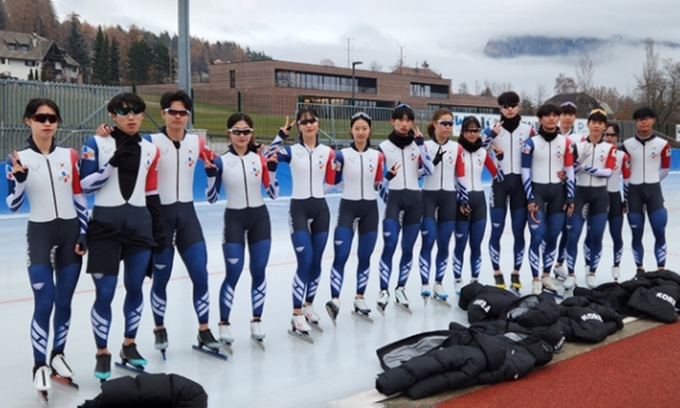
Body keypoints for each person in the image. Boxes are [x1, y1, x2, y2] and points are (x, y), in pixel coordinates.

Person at [97, 91, 220, 355]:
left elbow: (218, 160)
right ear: (163, 114)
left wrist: (254, 150)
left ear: (188, 116)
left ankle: (204, 329)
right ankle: (159, 327)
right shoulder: (150, 142)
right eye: (172, 112)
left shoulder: (197, 142)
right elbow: (124, 140)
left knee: (200, 274)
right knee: (161, 278)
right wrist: (106, 131)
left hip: (188, 218)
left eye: (183, 113)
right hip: (160, 218)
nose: (178, 117)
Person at [5, 98, 87, 396]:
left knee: (64, 301)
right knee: (44, 302)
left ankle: (57, 355)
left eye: (52, 117)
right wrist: (20, 180)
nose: (47, 123)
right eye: (40, 117)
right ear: (28, 120)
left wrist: (85, 232)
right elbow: (13, 204)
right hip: (40, 234)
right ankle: (39, 364)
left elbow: (78, 196)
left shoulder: (70, 155)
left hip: (69, 234)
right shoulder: (18, 158)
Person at [80, 93, 165, 379]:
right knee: (104, 292)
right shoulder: (96, 142)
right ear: (112, 115)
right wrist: (113, 163)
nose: (131, 116)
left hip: (140, 226)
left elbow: (151, 191)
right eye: (124, 111)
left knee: (135, 288)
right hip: (105, 226)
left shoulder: (151, 149)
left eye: (136, 111)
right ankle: (102, 352)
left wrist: (159, 229)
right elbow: (85, 185)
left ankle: (129, 344)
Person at [206, 113, 278, 349]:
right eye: (237, 131)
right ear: (229, 133)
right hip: (234, 220)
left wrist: (272, 170)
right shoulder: (221, 161)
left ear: (251, 133)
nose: (242, 135)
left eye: (246, 131)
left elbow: (274, 193)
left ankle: (256, 320)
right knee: (233, 273)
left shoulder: (260, 159)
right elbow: (211, 198)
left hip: (260, 219)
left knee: (259, 271)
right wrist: (210, 177)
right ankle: (224, 323)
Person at [269, 107, 335, 340]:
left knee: (316, 262)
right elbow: (269, 156)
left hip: (321, 210)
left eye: (312, 121)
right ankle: (296, 314)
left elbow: (333, 180)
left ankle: (308, 305)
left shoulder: (328, 152)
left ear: (318, 123)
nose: (309, 125)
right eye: (304, 122)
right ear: (298, 126)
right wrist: (280, 136)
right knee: (304, 259)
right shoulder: (291, 151)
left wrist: (321, 192)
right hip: (299, 209)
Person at [324, 112, 383, 323]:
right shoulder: (341, 155)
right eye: (357, 128)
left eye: (364, 128)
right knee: (341, 255)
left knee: (365, 256)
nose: (360, 132)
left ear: (370, 130)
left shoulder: (377, 156)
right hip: (348, 208)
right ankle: (335, 299)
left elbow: (378, 183)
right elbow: (332, 181)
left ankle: (359, 298)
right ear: (351, 130)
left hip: (370, 210)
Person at [376, 104, 434, 313]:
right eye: (400, 120)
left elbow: (429, 170)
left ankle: (400, 288)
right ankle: (384, 290)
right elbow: (377, 183)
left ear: (412, 123)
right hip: (394, 200)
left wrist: (421, 146)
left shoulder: (418, 146)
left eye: (408, 120)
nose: (404, 124)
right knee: (390, 244)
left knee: (408, 248)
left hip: (414, 201)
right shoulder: (383, 147)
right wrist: (387, 193)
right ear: (392, 121)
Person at [482, 92, 534, 291]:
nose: (510, 109)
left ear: (519, 106)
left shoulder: (528, 130)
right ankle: (497, 272)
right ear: (500, 109)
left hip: (521, 185)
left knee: (519, 231)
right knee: (496, 230)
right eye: (505, 106)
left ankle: (516, 272)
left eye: (513, 105)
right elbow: (478, 151)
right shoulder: (492, 129)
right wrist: (491, 136)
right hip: (500, 184)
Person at [521, 104, 575, 295]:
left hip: (558, 195)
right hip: (537, 193)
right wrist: (530, 197)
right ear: (540, 119)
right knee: (537, 237)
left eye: (555, 115)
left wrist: (570, 195)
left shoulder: (566, 142)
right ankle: (535, 278)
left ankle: (546, 276)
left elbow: (569, 170)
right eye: (547, 116)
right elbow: (525, 172)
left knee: (553, 236)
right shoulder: (530, 143)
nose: (551, 119)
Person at [563, 110, 616, 290]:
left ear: (604, 127)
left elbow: (607, 173)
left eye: (600, 123)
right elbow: (570, 171)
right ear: (588, 124)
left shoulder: (610, 148)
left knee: (596, 235)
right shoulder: (576, 146)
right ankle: (571, 274)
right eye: (594, 122)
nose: (596, 126)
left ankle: (592, 272)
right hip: (580, 193)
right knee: (573, 234)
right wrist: (578, 166)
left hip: (600, 196)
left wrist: (584, 167)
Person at [419, 108, 466, 302]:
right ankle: (425, 283)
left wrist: (464, 198)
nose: (447, 127)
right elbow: (417, 173)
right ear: (435, 124)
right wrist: (431, 163)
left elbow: (460, 176)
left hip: (449, 197)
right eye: (444, 123)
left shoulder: (457, 148)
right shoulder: (424, 146)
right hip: (428, 197)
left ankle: (438, 283)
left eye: (450, 124)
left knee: (444, 242)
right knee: (428, 239)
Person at [453, 116, 501, 294]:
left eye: (476, 131)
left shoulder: (482, 152)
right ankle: (458, 280)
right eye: (469, 130)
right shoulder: (456, 150)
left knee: (476, 244)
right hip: (461, 200)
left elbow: (497, 174)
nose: (472, 134)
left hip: (479, 200)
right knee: (460, 244)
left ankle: (475, 280)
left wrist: (499, 157)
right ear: (463, 132)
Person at [622, 107, 670, 273]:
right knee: (636, 233)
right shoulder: (627, 144)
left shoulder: (662, 144)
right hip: (634, 193)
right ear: (635, 122)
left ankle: (661, 270)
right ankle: (640, 269)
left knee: (659, 230)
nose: (643, 122)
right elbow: (623, 170)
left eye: (647, 118)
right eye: (640, 119)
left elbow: (665, 169)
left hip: (653, 191)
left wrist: (653, 181)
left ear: (653, 120)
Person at [553, 101, 586, 279]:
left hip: (571, 188)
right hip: (550, 187)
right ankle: (545, 267)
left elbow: (582, 164)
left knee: (568, 228)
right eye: (564, 114)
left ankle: (559, 264)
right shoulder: (549, 135)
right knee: (551, 229)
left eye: (571, 114)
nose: (567, 118)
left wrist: (568, 172)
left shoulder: (580, 139)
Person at [601, 123, 630, 281]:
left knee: (616, 234)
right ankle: (590, 269)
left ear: (617, 137)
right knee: (593, 236)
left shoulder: (622, 156)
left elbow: (626, 179)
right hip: (597, 197)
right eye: (606, 134)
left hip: (614, 197)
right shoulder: (594, 151)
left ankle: (616, 265)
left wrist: (626, 201)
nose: (608, 137)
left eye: (612, 135)